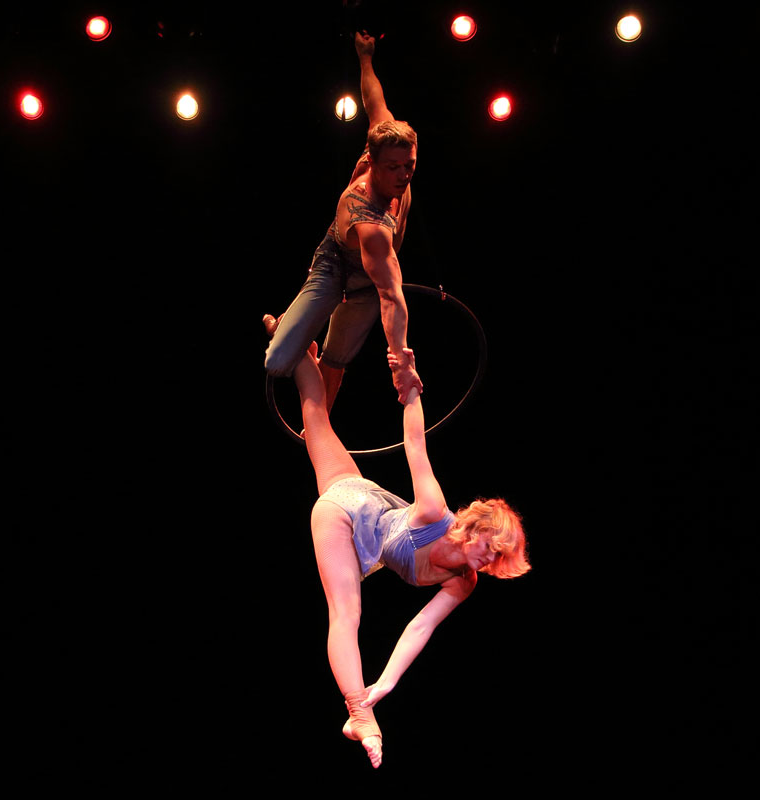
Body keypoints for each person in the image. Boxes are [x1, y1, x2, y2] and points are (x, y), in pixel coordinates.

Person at [263, 315, 531, 768]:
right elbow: (415, 445)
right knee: (346, 612)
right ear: (479, 529)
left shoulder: (464, 581)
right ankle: (359, 714)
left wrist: (386, 682)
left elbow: (420, 627)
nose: (490, 559)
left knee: (316, 414)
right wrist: (410, 387)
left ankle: (294, 346)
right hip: (343, 511)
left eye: (498, 558)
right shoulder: (435, 513)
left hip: (359, 493)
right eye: (492, 547)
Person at [264, 31, 422, 412]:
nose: (403, 175)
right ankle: (287, 328)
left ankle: (317, 425)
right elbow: (392, 294)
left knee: (335, 362)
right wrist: (401, 364)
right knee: (277, 361)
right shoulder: (367, 216)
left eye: (410, 165)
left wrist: (365, 57)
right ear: (371, 160)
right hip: (336, 265)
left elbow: (373, 98)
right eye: (394, 168)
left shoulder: (388, 136)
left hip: (368, 281)